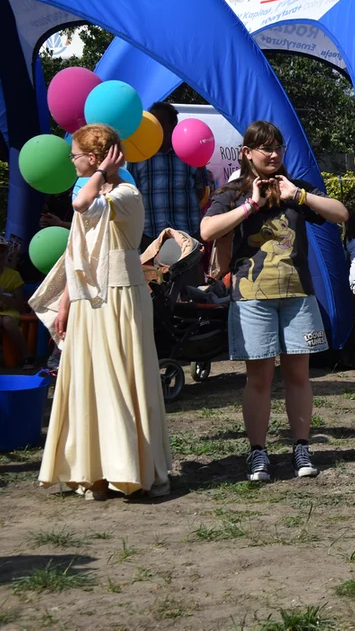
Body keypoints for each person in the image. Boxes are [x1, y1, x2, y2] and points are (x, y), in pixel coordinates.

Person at [29, 124, 172, 500]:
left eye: (76, 155)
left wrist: (100, 172)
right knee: (89, 382)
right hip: (88, 302)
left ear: (94, 159)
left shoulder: (125, 194)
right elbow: (75, 252)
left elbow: (80, 205)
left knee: (121, 379)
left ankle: (129, 469)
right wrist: (64, 304)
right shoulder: (94, 195)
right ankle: (93, 470)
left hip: (120, 299)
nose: (71, 161)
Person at [201, 120, 348, 483]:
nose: (273, 154)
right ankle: (258, 452)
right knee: (260, 379)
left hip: (298, 295)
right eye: (264, 148)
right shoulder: (233, 192)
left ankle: (301, 446)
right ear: (246, 153)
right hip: (251, 298)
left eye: (278, 147)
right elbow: (206, 231)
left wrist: (299, 196)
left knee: (299, 376)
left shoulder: (293, 188)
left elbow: (341, 214)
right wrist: (250, 206)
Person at [129, 102, 215, 245]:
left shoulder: (190, 152)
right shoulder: (139, 155)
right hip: (149, 235)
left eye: (161, 123)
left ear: (173, 125)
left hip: (187, 234)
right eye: (153, 123)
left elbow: (201, 191)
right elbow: (132, 194)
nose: (156, 128)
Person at [0, 236, 32, 369]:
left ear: (6, 253)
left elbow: (19, 303)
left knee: (7, 321)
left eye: (1, 251)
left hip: (9, 312)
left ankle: (27, 356)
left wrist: (3, 296)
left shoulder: (13, 275)